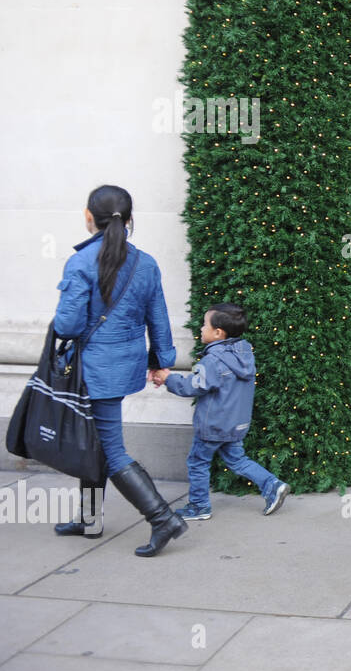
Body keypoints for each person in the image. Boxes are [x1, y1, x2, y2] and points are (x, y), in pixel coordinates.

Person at [51, 185, 185, 557]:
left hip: (92, 370)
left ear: (88, 216)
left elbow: (67, 325)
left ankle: (162, 519)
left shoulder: (79, 263)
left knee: (110, 449)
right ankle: (90, 519)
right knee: (93, 442)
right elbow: (157, 319)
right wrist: (162, 360)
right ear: (129, 220)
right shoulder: (146, 263)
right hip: (122, 367)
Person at [153, 303, 289, 520]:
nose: (200, 329)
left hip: (213, 425)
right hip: (236, 424)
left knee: (198, 462)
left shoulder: (213, 360)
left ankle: (199, 506)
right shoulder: (244, 355)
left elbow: (192, 387)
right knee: (237, 460)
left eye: (204, 325)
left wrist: (169, 378)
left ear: (218, 332)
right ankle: (272, 484)